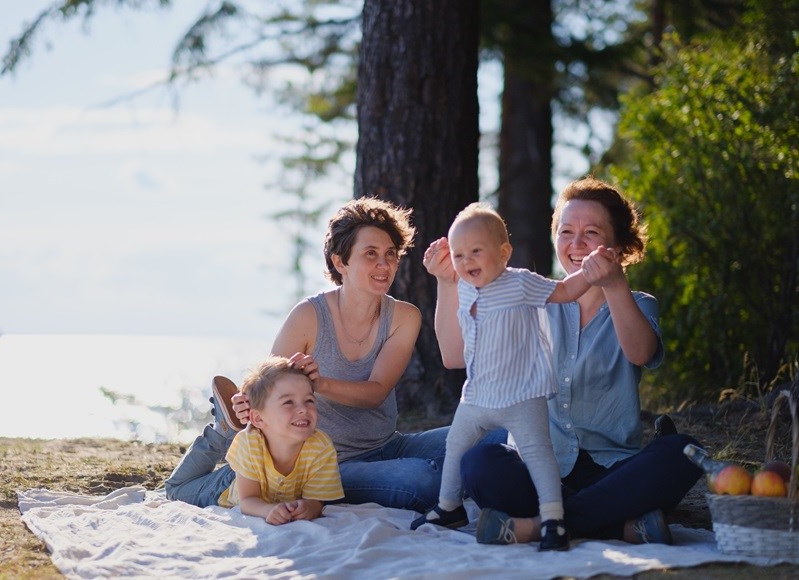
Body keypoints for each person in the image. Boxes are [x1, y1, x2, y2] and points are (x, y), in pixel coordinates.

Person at [423, 177, 702, 546]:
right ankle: (614, 525)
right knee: (479, 463)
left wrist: (615, 285)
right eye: (566, 231)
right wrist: (446, 283)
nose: (576, 244)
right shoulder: (530, 294)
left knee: (681, 453)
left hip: (611, 467)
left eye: (591, 232)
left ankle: (538, 526)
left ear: (616, 245)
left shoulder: (637, 302)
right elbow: (454, 356)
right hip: (538, 465)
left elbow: (641, 353)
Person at [166, 196, 449, 513]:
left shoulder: (404, 317)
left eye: (390, 255)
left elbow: (376, 392)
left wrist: (320, 383)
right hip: (320, 461)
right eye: (371, 254)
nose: (384, 265)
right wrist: (249, 404)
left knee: (492, 435)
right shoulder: (308, 317)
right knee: (423, 482)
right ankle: (225, 432)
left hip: (387, 445)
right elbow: (268, 388)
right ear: (341, 262)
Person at [411, 203, 607, 551]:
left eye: (476, 251)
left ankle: (553, 520)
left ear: (504, 253)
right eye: (459, 255)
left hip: (521, 396)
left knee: (537, 454)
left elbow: (564, 291)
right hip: (477, 397)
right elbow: (453, 349)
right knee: (455, 444)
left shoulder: (520, 282)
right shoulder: (464, 287)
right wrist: (442, 271)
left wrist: (589, 273)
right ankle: (449, 507)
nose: (467, 261)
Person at [164, 356, 343, 524]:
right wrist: (268, 510)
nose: (303, 409)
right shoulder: (249, 443)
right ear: (258, 419)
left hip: (248, 470)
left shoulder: (321, 446)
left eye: (309, 400)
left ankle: (226, 432)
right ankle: (220, 433)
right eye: (288, 402)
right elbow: (248, 501)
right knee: (174, 489)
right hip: (225, 488)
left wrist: (309, 508)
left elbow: (316, 502)